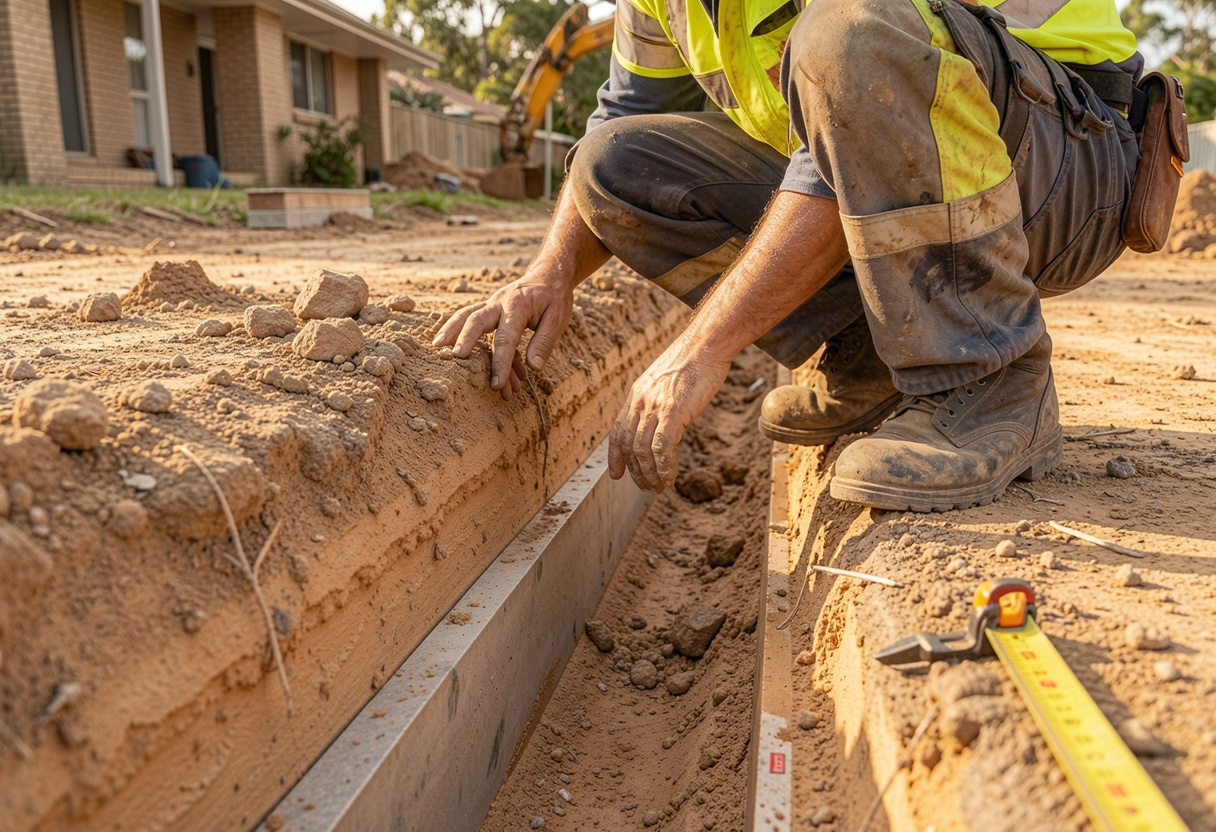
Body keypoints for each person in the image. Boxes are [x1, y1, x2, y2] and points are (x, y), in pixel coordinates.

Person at [433, 0, 1143, 512]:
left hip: (1066, 159)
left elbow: (851, 93)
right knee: (610, 166)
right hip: (928, 150)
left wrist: (702, 349)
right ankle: (875, 358)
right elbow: (622, 120)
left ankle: (991, 378)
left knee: (850, 35)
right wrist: (547, 272)